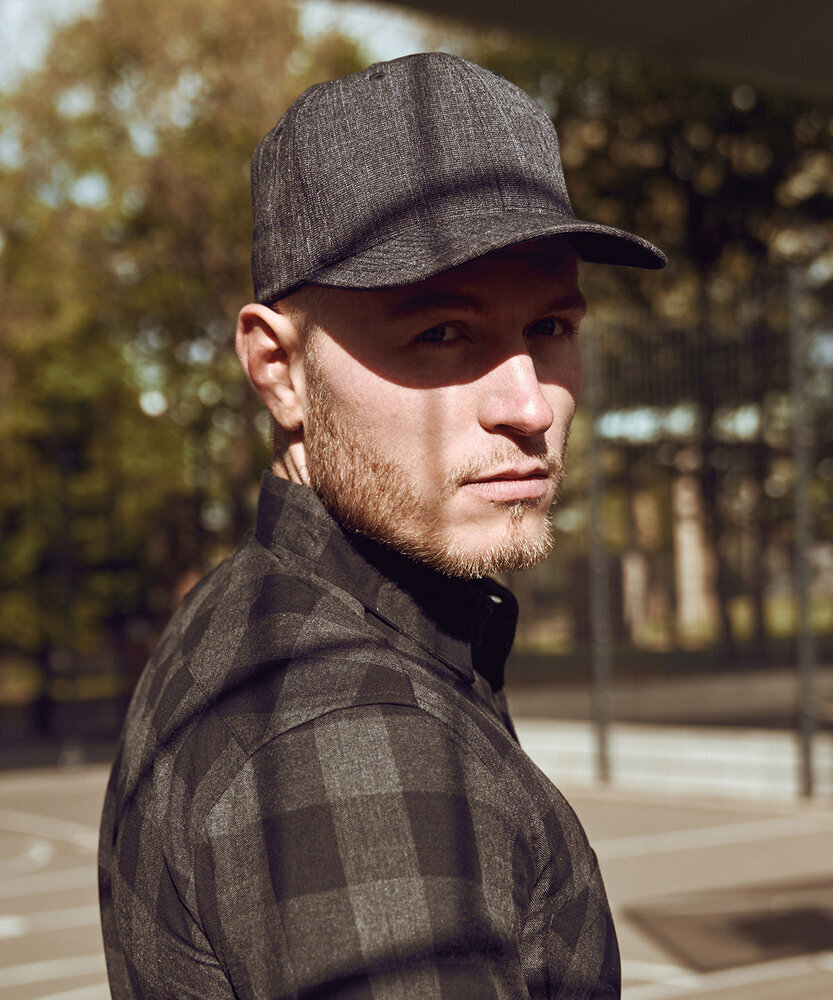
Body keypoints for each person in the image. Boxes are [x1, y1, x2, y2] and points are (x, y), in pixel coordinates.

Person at [99, 52, 664, 999]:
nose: (529, 405)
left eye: (551, 329)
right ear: (278, 369)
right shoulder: (351, 743)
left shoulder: (255, 610)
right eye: (441, 333)